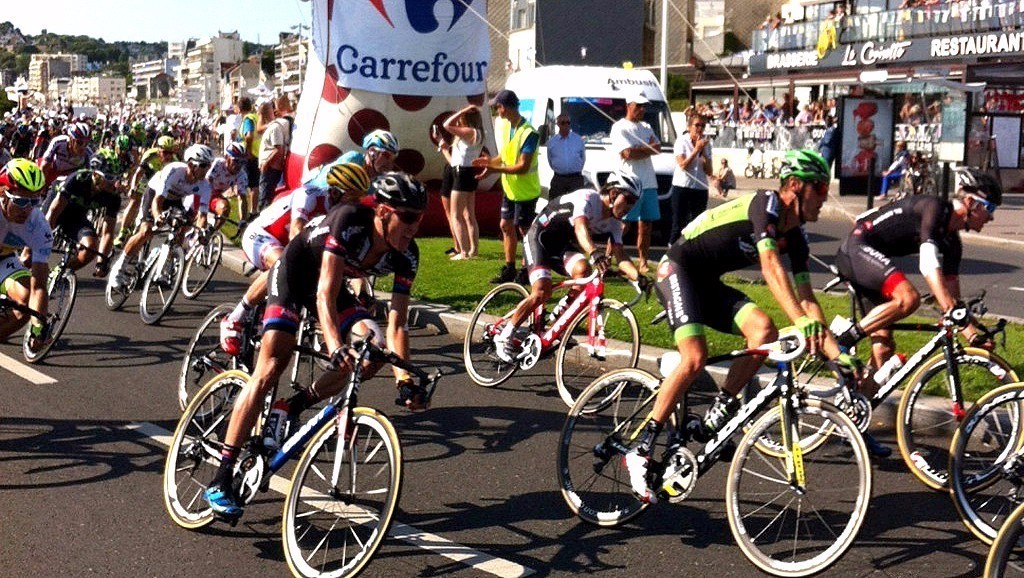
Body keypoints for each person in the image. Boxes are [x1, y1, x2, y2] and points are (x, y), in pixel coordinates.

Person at [624, 150, 858, 503]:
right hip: (677, 268)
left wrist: (837, 356)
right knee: (694, 358)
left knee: (764, 332)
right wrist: (802, 322)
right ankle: (640, 447)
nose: (826, 197)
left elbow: (809, 301)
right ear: (795, 186)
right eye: (821, 188)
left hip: (704, 282)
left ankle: (722, 406)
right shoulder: (766, 205)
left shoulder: (796, 238)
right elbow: (769, 266)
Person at [203, 172, 429, 519]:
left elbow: (397, 322)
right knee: (269, 368)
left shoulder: (407, 255)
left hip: (332, 286)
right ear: (383, 212)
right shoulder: (350, 220)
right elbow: (323, 293)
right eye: (408, 217)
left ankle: (293, 405)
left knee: (374, 351)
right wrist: (334, 344)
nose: (415, 226)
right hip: (295, 275)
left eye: (420, 217)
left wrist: (405, 380)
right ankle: (221, 476)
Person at [833, 167, 1001, 395]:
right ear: (971, 203)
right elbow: (928, 263)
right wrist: (951, 309)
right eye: (989, 209)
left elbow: (952, 300)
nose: (991, 217)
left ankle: (856, 416)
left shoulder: (953, 243)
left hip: (871, 260)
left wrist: (972, 334)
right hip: (856, 249)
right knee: (908, 298)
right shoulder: (936, 208)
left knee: (882, 349)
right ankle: (841, 341)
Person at [492, 172, 647, 362]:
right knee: (541, 292)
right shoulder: (588, 198)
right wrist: (594, 252)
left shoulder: (614, 223)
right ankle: (505, 335)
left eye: (635, 202)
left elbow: (620, 255)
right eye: (629, 199)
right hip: (538, 237)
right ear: (614, 193)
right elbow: (580, 227)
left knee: (583, 270)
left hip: (559, 245)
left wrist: (639, 278)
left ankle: (560, 316)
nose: (631, 207)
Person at [219, 162, 370, 356]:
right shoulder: (309, 195)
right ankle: (235, 317)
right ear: (334, 192)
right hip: (262, 235)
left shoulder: (345, 214)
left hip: (290, 246)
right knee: (285, 263)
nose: (356, 205)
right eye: (352, 199)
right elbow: (296, 232)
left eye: (360, 199)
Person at [109, 144, 214, 290]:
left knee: (181, 228)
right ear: (190, 164)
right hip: (155, 193)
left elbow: (202, 214)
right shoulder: (174, 170)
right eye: (203, 166)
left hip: (175, 200)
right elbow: (157, 201)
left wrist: (201, 232)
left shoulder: (205, 185)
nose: (206, 170)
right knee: (146, 231)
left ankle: (164, 267)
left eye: (208, 166)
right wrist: (158, 217)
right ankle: (118, 269)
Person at [473, 89, 541, 285]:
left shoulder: (529, 133)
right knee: (505, 225)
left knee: (525, 231)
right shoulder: (504, 126)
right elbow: (504, 156)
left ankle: (525, 270)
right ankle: (509, 268)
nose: (496, 111)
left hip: (526, 191)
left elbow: (523, 166)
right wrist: (490, 165)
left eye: (497, 107)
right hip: (510, 189)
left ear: (505, 107)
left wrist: (494, 169)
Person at [43, 150, 121, 277]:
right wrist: (43, 242)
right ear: (96, 174)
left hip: (76, 216)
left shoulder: (113, 196)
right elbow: (53, 212)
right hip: (56, 208)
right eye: (110, 177)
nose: (114, 183)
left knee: (90, 249)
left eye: (116, 178)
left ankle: (56, 274)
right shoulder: (77, 179)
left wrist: (101, 261)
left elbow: (107, 233)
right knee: (29, 255)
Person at [0, 158, 51, 347]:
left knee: (26, 300)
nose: (27, 209)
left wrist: (38, 327)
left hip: (4, 259)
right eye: (21, 201)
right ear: (3, 193)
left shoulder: (39, 226)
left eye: (34, 201)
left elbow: (39, 286)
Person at [610, 92, 660, 273]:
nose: (642, 109)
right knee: (623, 224)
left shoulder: (646, 127)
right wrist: (647, 149)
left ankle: (643, 261)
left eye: (644, 106)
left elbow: (658, 148)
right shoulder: (619, 127)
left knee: (646, 224)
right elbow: (627, 154)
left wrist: (640, 149)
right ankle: (609, 257)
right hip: (628, 182)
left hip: (648, 182)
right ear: (628, 105)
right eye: (638, 105)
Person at [114, 135, 177, 248]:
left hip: (160, 184)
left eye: (171, 153)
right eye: (165, 152)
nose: (168, 156)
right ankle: (122, 233)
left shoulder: (175, 161)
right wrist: (133, 187)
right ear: (159, 150)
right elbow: (138, 172)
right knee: (134, 201)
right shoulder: (150, 154)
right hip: (147, 178)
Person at [442, 105, 484, 260]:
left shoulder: (469, 132)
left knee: (456, 214)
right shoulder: (479, 133)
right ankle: (473, 250)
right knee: (469, 214)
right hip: (469, 172)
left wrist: (460, 111)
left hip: (462, 173)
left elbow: (446, 125)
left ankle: (464, 252)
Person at [668, 114, 713, 244]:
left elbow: (709, 171)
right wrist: (695, 150)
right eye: (697, 125)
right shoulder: (682, 141)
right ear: (689, 127)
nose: (700, 128)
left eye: (703, 126)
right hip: (682, 186)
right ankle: (672, 249)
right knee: (679, 222)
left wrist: (704, 152)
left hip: (700, 187)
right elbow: (682, 165)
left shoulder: (707, 144)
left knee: (698, 222)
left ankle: (692, 250)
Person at [257, 96, 294, 210]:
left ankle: (263, 219)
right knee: (267, 197)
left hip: (271, 168)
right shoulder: (277, 125)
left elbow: (279, 149)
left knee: (264, 200)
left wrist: (266, 163)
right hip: (272, 167)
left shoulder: (276, 127)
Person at [546, 113, 586, 198]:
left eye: (568, 122)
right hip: (559, 179)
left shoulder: (578, 139)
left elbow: (583, 158)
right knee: (555, 206)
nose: (566, 125)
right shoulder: (552, 142)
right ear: (558, 124)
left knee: (578, 205)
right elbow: (550, 160)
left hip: (576, 179)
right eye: (563, 122)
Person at [235, 97, 262, 222]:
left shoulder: (248, 119)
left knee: (249, 185)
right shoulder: (256, 117)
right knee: (255, 184)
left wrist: (248, 151)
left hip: (250, 155)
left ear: (239, 108)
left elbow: (249, 136)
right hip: (258, 154)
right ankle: (254, 211)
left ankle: (250, 212)